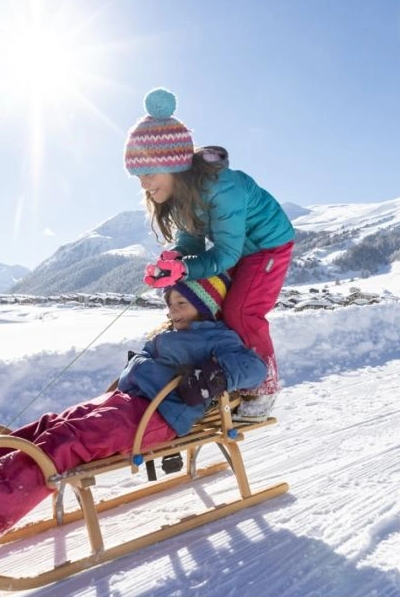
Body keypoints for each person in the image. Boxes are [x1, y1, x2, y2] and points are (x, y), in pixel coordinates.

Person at [0, 273, 267, 543]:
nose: (172, 309)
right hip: (127, 402)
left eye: (181, 303)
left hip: (158, 416)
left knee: (68, 440)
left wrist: (213, 378)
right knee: (51, 424)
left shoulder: (216, 337)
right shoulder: (169, 331)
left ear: (205, 306)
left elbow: (254, 368)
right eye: (170, 302)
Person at [124, 87, 295, 422]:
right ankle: (223, 378)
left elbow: (227, 253)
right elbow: (190, 242)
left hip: (268, 246)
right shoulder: (182, 195)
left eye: (149, 174)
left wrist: (186, 270)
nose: (144, 184)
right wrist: (173, 261)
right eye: (138, 177)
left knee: (241, 311)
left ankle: (263, 387)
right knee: (213, 307)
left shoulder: (221, 188)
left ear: (173, 166)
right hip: (239, 249)